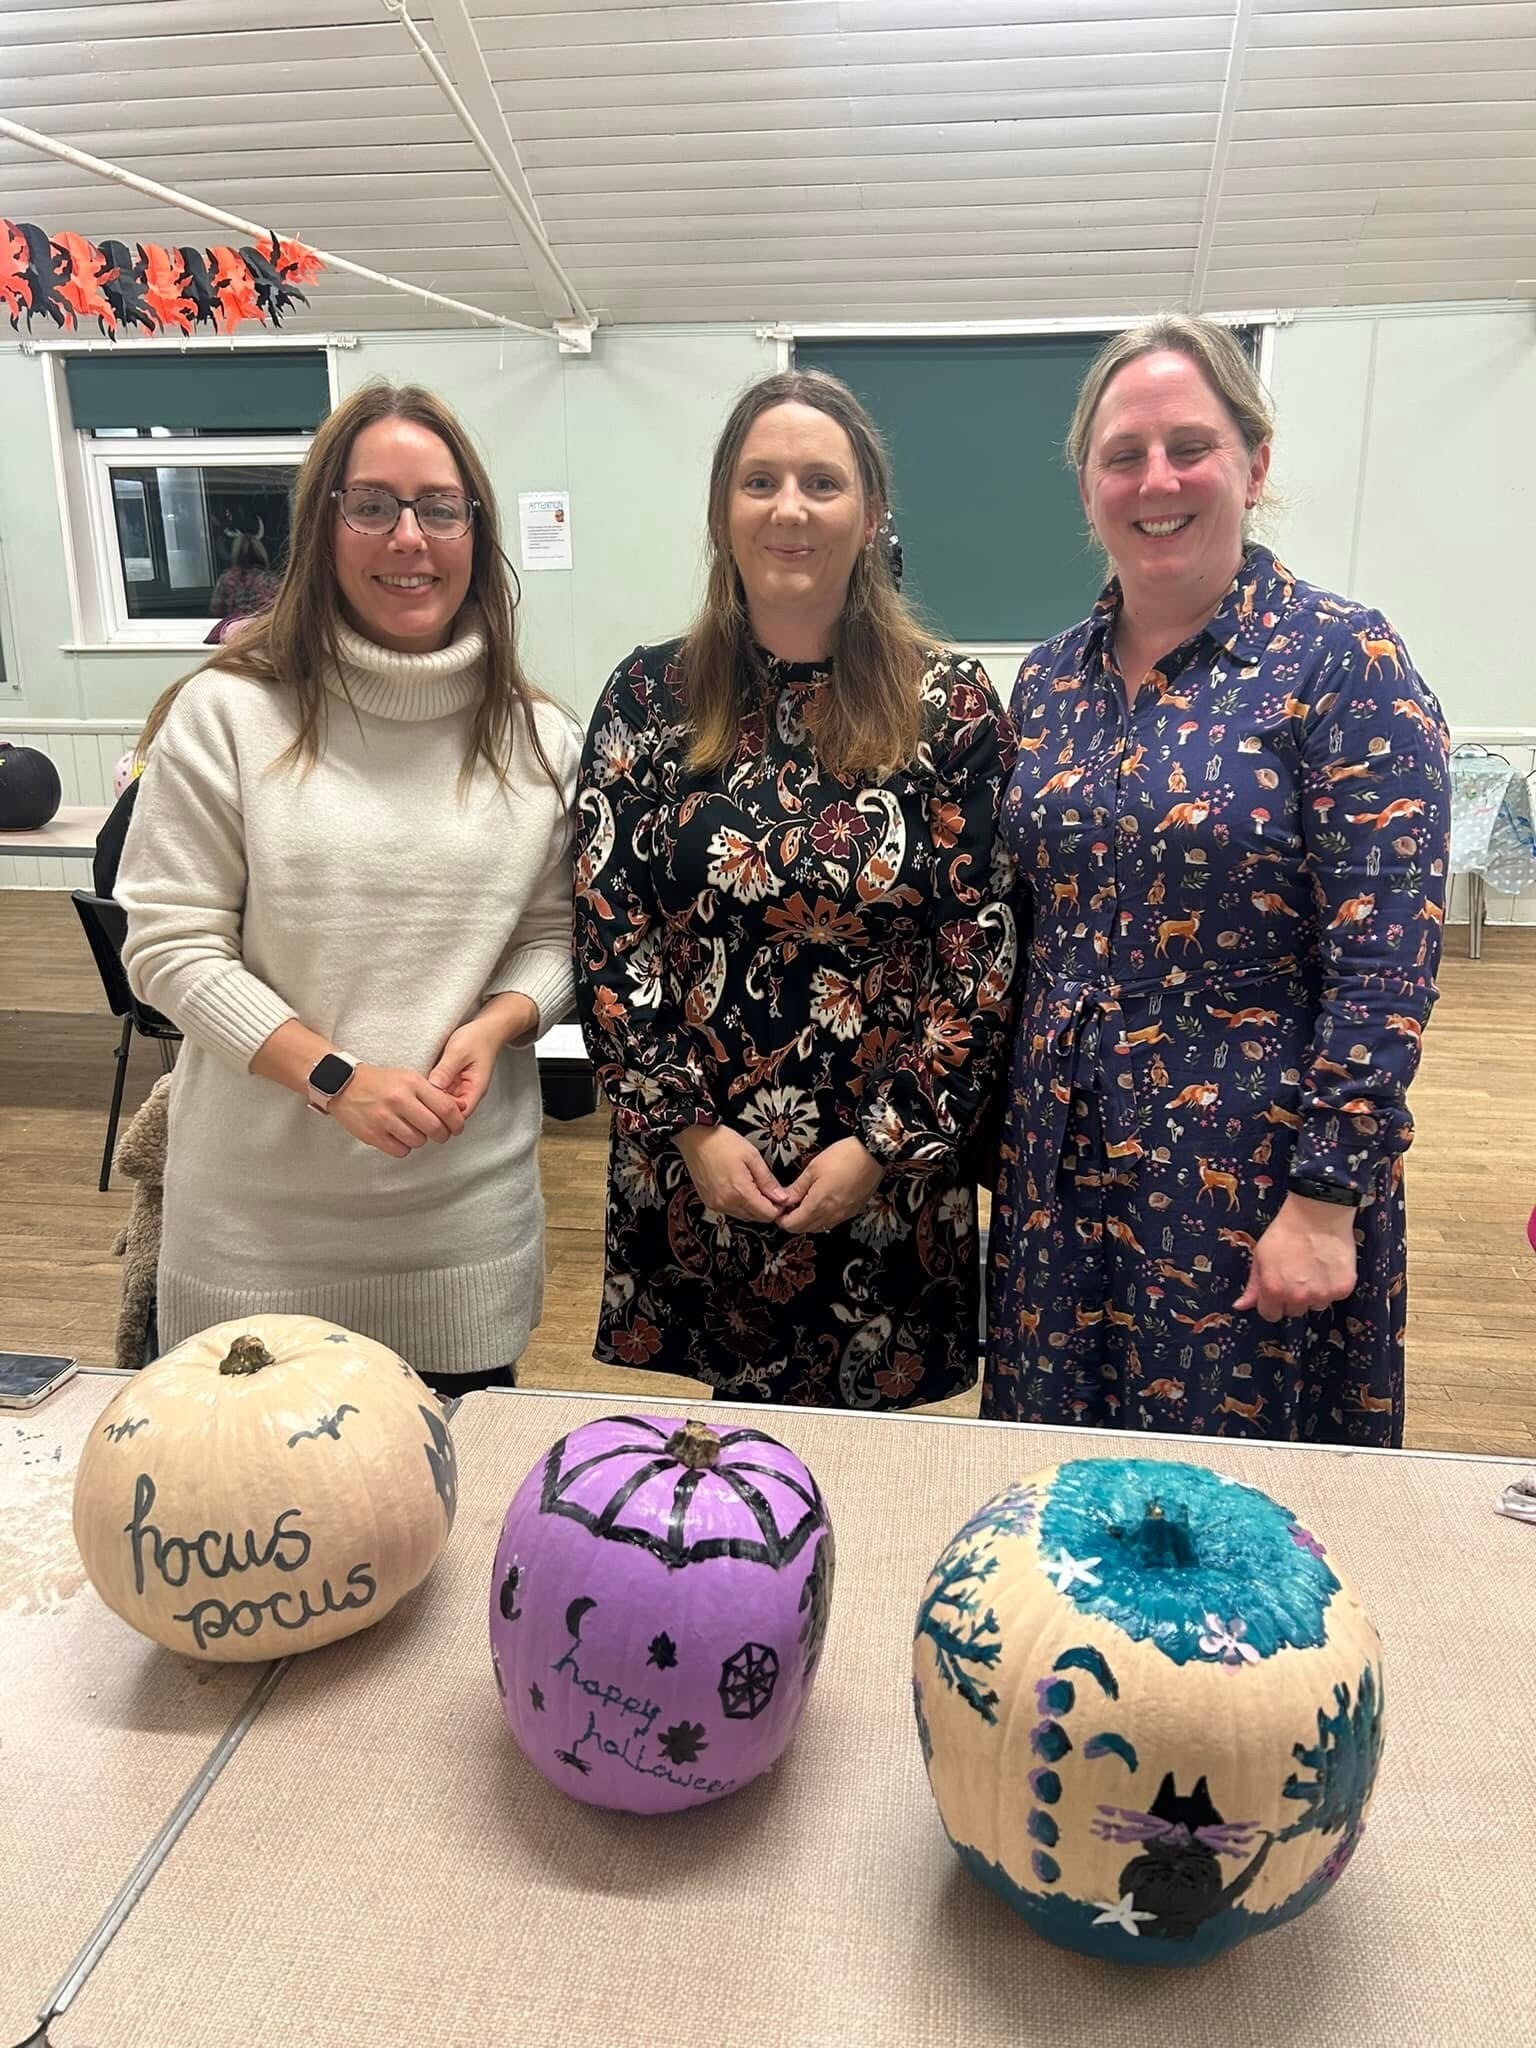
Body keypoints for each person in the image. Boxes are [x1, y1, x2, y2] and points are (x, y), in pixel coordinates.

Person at [983, 316, 1449, 1447]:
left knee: (1236, 1504)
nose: (1157, 481)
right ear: (1088, 485)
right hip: (1059, 1180)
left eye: (1189, 447)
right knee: (1064, 1486)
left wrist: (1327, 1197)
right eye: (1123, 456)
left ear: (1255, 462)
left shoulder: (1342, 662)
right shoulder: (1048, 682)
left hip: (1249, 1185)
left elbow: (1386, 961)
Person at [116, 383, 578, 1394]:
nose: (409, 537)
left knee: (445, 1494)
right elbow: (171, 948)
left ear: (476, 531)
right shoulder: (228, 714)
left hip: (461, 1236)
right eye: (371, 505)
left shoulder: (539, 739)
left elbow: (554, 935)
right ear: (321, 527)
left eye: (439, 508)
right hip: (255, 1238)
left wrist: (499, 1023)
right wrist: (333, 1077)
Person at [573, 369, 1018, 1409]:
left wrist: (882, 1146)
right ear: (721, 511)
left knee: (886, 1472)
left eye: (822, 482)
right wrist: (690, 1128)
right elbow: (609, 929)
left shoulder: (949, 705)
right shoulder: (647, 697)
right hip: (699, 1166)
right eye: (759, 481)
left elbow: (983, 951)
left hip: (889, 1178)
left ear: (872, 513)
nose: (790, 509)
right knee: (731, 1464)